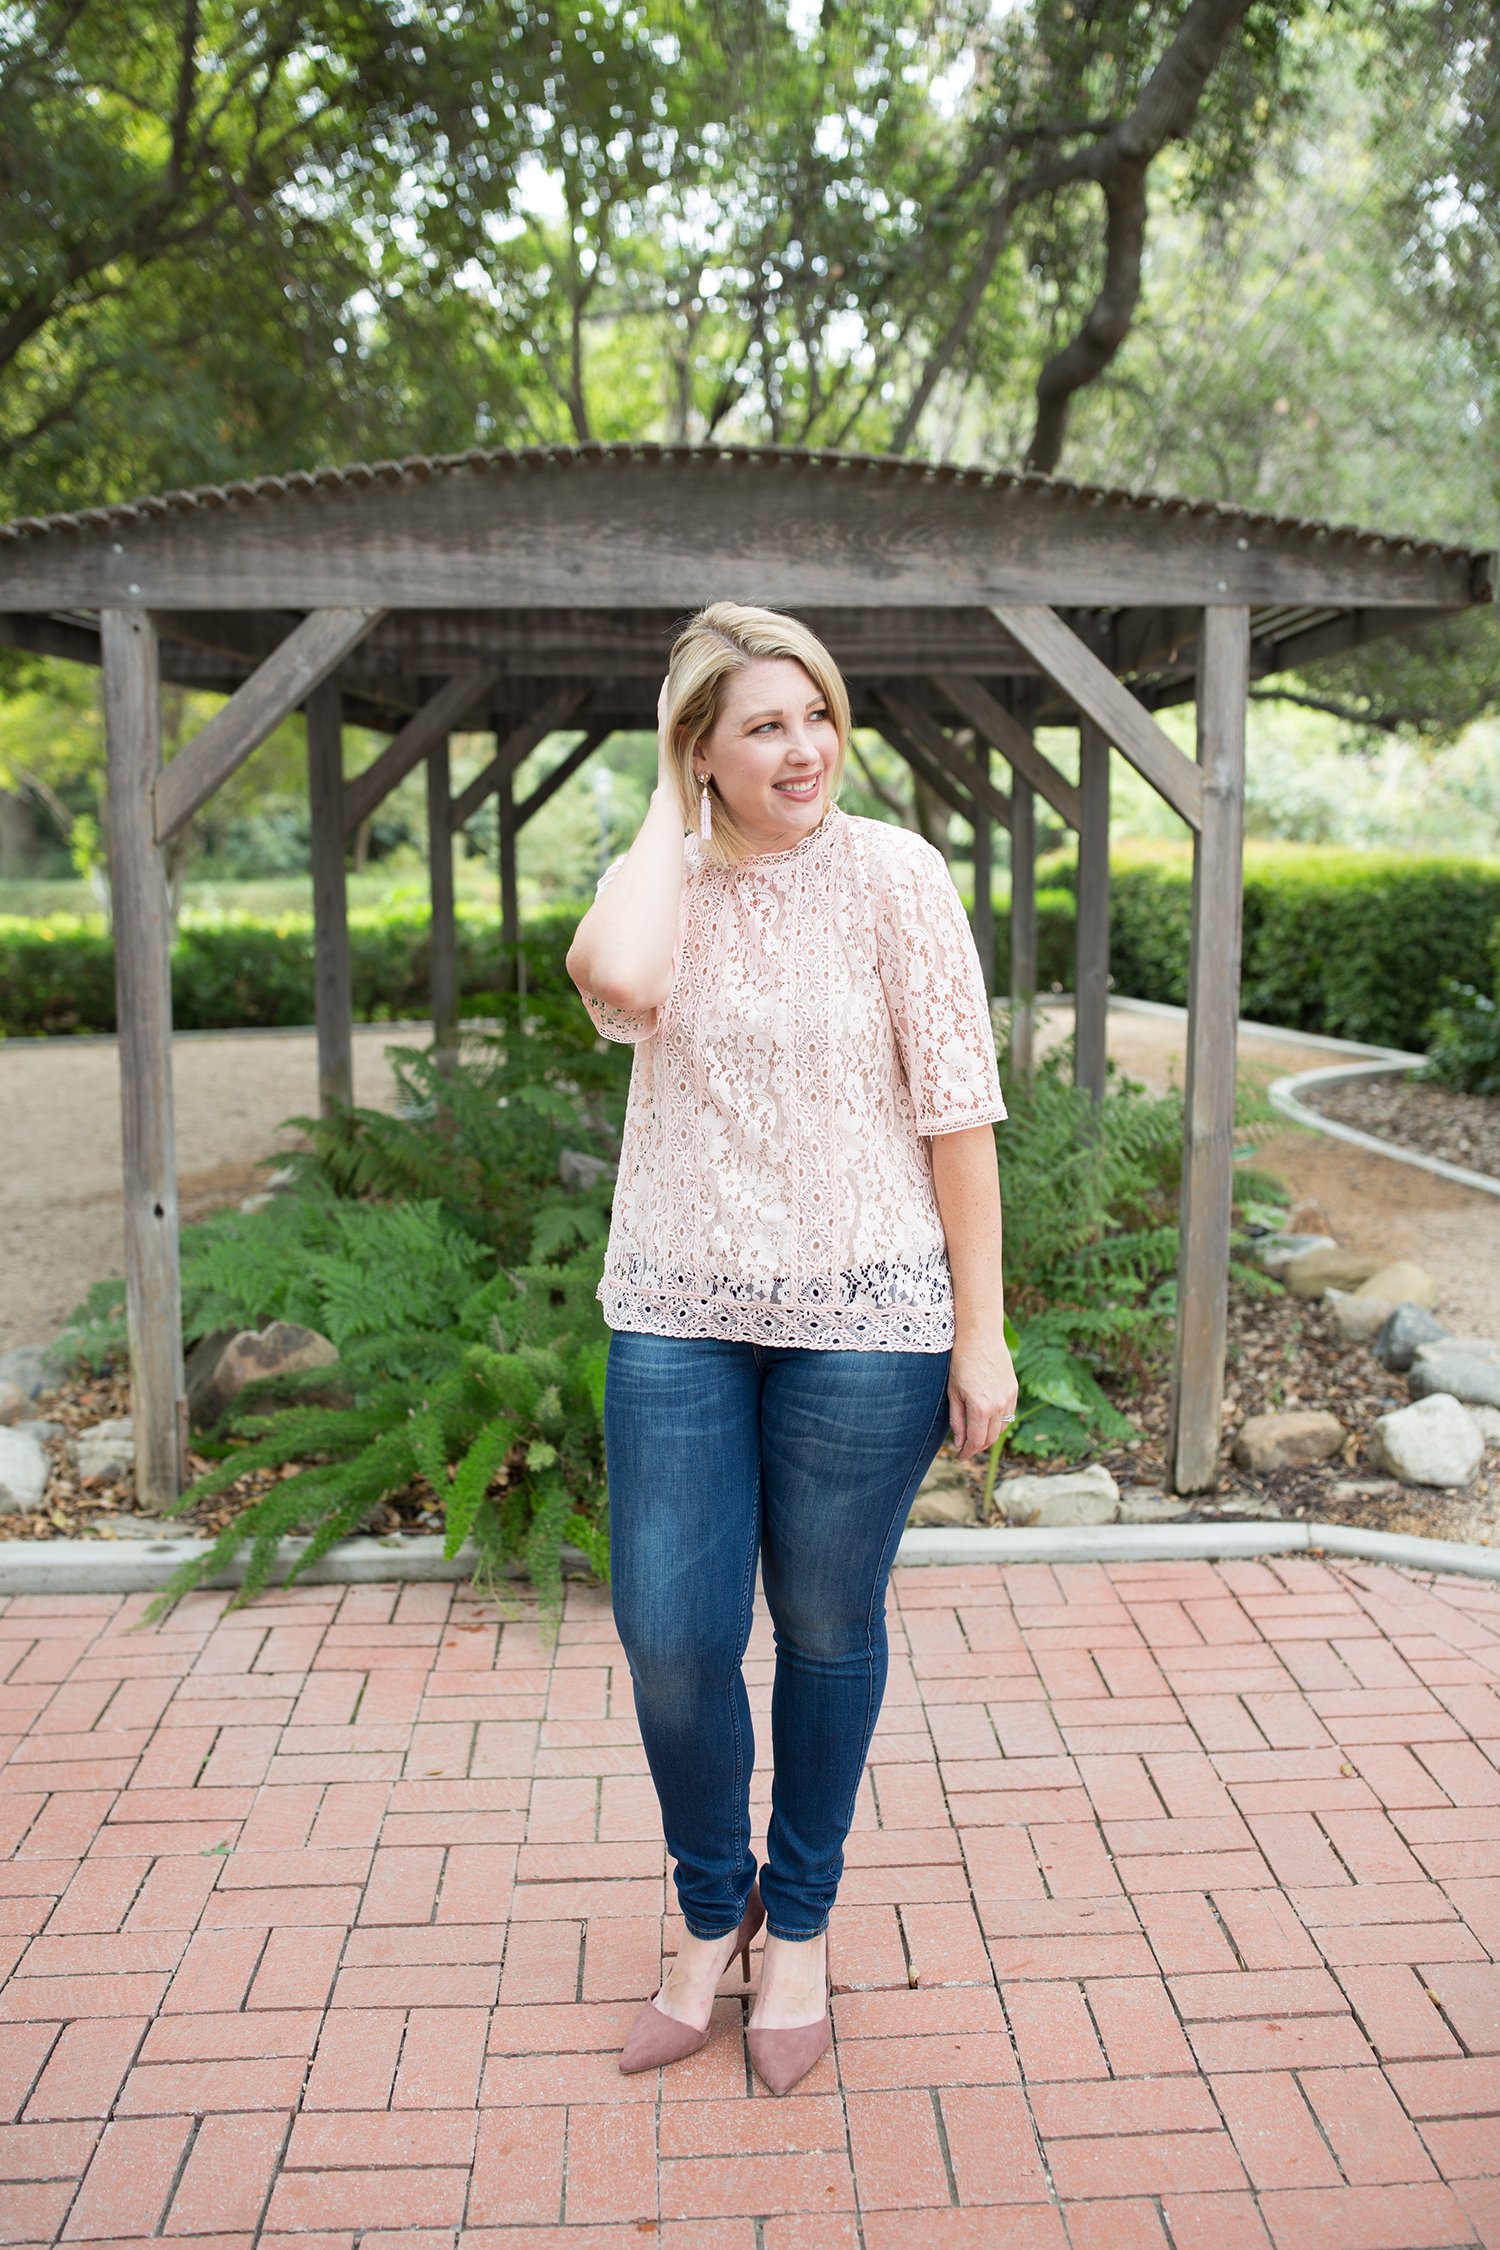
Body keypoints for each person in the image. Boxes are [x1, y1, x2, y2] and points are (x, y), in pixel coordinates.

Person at [566, 601, 1016, 2095]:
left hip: (869, 1322)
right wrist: (659, 802)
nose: (806, 747)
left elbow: (959, 1112)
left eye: (817, 713)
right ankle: (712, 1906)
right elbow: (619, 981)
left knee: (828, 1630)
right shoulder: (665, 884)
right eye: (763, 723)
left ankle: (800, 1924)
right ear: (699, 748)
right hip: (681, 1311)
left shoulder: (898, 876)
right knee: (674, 1637)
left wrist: (983, 1329)